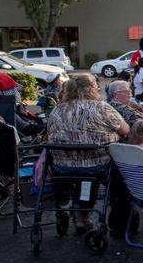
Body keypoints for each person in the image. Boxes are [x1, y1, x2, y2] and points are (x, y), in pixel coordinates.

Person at [46, 74, 130, 233]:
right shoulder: (101, 107)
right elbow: (125, 130)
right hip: (98, 164)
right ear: (91, 88)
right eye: (96, 85)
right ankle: (118, 223)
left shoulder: (57, 109)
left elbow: (49, 132)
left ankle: (81, 218)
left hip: (62, 166)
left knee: (83, 178)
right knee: (119, 179)